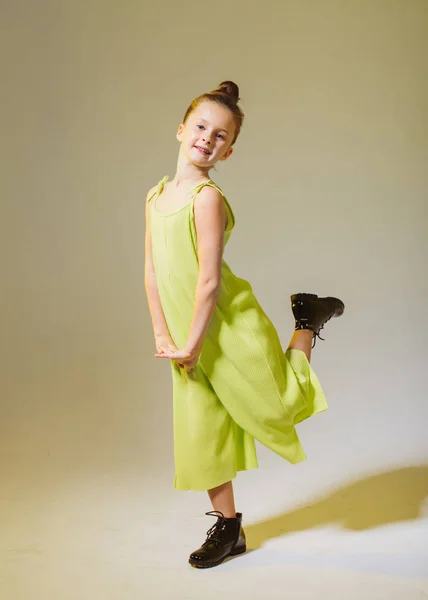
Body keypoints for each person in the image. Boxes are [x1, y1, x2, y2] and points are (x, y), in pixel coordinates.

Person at [144, 80, 344, 569]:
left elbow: (209, 281)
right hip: (188, 337)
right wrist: (162, 335)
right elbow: (151, 270)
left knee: (281, 406)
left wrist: (190, 342)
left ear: (228, 152)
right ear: (180, 129)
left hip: (228, 327)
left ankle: (306, 320)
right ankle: (229, 529)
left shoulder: (206, 199)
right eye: (201, 127)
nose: (206, 139)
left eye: (220, 137)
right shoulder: (154, 197)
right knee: (202, 431)